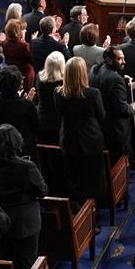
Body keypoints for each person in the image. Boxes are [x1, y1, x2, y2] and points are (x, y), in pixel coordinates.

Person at [0, 124, 46, 269]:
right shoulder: (27, 167)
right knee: (26, 267)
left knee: (3, 264)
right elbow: (42, 191)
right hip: (24, 224)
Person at [57, 57, 107, 205]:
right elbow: (102, 116)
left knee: (74, 177)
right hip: (90, 141)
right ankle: (91, 215)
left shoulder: (58, 93)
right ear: (83, 73)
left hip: (68, 139)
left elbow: (60, 113)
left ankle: (78, 210)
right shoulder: (93, 93)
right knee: (92, 178)